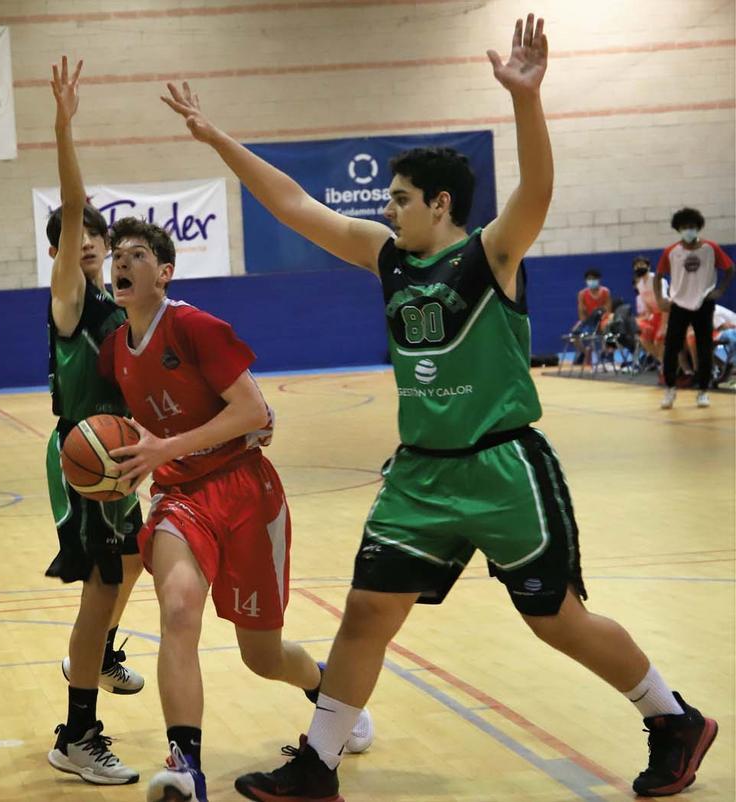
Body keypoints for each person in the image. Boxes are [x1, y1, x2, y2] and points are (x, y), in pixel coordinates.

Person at [162, 13, 718, 801]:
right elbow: (292, 205)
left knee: (556, 619)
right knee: (364, 613)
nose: (388, 210)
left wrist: (527, 100)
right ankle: (317, 765)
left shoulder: (492, 252)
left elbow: (540, 188)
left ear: (441, 203)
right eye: (386, 200)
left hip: (502, 465)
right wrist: (218, 140)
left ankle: (672, 718)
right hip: (421, 475)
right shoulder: (387, 257)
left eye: (399, 199)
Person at [98, 216, 351, 802]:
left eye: (136, 255)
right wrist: (120, 457)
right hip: (181, 499)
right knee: (179, 610)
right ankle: (186, 768)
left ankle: (328, 696)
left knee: (262, 656)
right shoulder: (116, 349)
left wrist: (165, 446)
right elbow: (145, 422)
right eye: (117, 256)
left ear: (165, 273)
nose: (122, 264)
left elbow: (255, 412)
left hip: (244, 492)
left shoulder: (195, 326)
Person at [42, 57, 144, 787]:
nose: (81, 243)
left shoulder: (125, 308)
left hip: (123, 455)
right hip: (87, 455)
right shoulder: (71, 304)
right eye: (70, 236)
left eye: (90, 237)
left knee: (130, 563)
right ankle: (77, 733)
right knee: (101, 585)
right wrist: (63, 125)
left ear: (109, 249)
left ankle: (99, 652)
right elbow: (74, 203)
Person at [654, 207, 734, 409]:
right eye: (684, 227)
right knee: (671, 348)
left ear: (698, 227)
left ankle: (703, 391)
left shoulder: (711, 248)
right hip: (679, 304)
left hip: (703, 303)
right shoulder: (671, 251)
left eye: (691, 227)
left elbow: (730, 268)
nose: (688, 230)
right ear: (678, 229)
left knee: (704, 348)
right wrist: (660, 300)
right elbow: (659, 276)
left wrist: (719, 290)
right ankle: (670, 389)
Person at [633, 255, 666, 365]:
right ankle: (662, 362)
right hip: (655, 315)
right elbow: (648, 309)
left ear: (648, 266)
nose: (639, 267)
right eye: (637, 266)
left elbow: (665, 302)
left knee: (659, 340)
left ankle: (667, 365)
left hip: (667, 313)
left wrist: (663, 325)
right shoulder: (640, 285)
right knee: (644, 339)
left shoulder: (656, 279)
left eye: (642, 265)